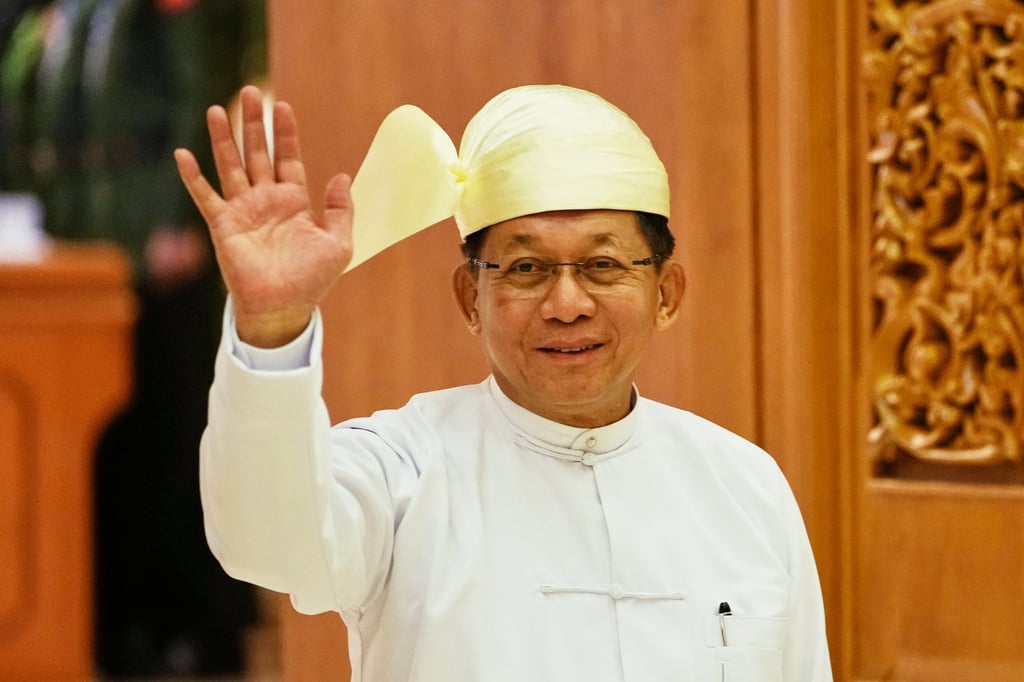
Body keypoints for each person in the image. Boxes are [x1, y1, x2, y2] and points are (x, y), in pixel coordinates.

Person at [175, 83, 833, 681]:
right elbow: (272, 543)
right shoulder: (401, 470)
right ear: (470, 298)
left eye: (604, 264)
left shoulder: (745, 489)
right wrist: (274, 326)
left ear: (667, 293)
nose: (567, 302)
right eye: (525, 268)